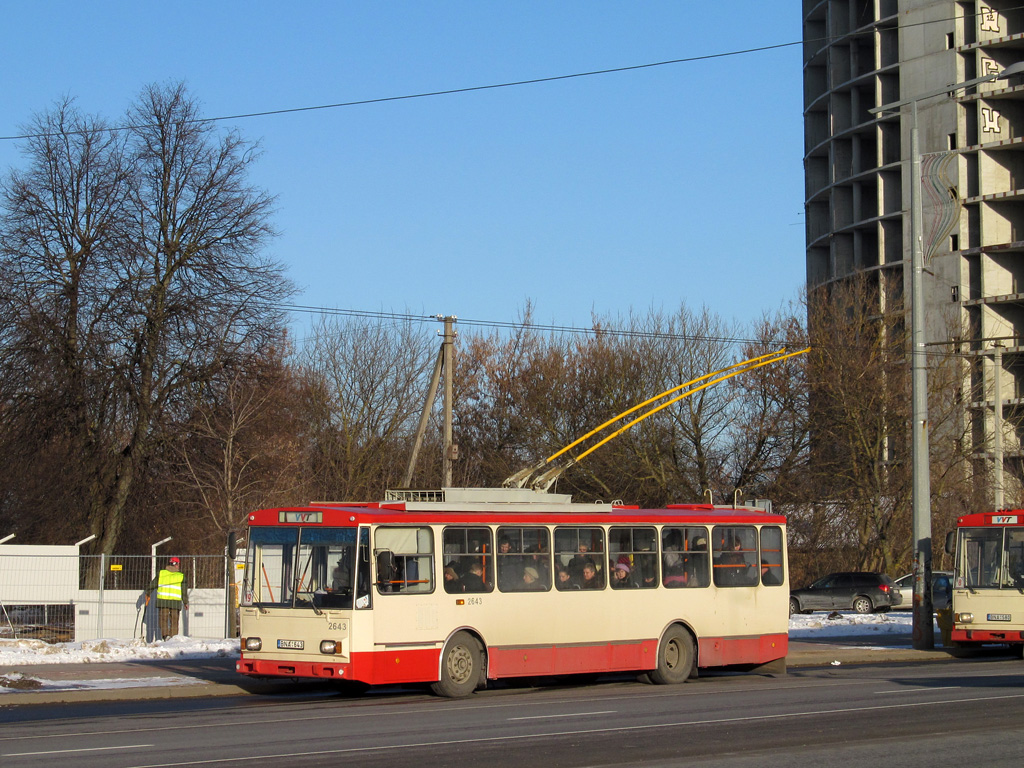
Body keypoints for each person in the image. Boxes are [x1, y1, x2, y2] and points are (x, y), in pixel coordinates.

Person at [145, 556, 187, 640]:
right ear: (177, 564)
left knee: (163, 619)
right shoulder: (181, 576)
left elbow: (153, 584)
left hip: (163, 601)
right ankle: (173, 638)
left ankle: (165, 636)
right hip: (175, 602)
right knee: (174, 621)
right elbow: (184, 590)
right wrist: (185, 602)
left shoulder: (161, 573)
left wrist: (148, 593)